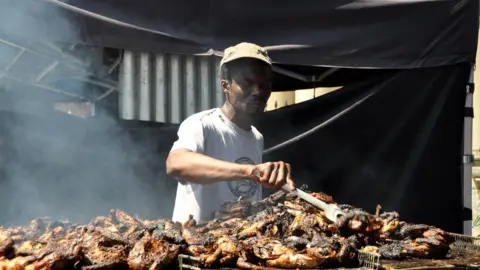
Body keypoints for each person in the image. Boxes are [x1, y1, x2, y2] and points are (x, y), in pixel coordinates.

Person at [166, 42, 296, 223]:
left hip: (232, 247)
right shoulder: (203, 124)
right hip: (193, 246)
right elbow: (176, 164)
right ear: (225, 85)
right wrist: (250, 171)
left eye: (265, 84)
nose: (258, 92)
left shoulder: (256, 137)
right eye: (247, 83)